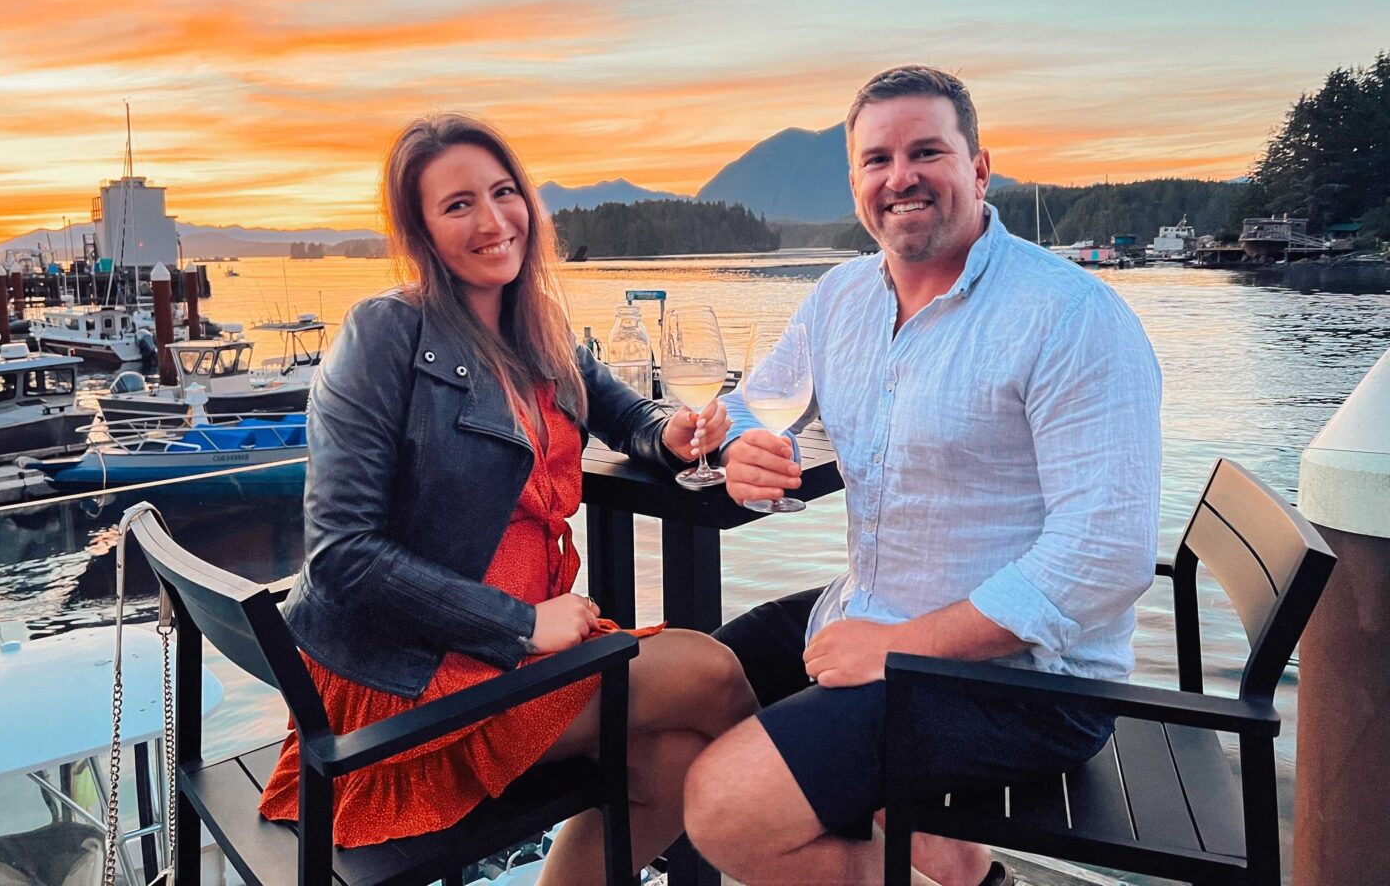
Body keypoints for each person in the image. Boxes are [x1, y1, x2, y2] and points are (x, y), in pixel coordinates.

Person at [683, 66, 1162, 886]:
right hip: (873, 611)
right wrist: (746, 447)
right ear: (856, 184)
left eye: (925, 152)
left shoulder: (1068, 315)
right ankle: (971, 876)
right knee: (688, 694)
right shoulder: (840, 298)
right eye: (876, 160)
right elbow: (763, 401)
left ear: (978, 169)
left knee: (722, 807)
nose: (899, 177)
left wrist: (900, 648)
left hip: (1032, 684)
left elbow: (1105, 556)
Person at [259, 114, 757, 884]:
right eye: (458, 205)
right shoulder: (383, 334)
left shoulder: (537, 326)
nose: (494, 221)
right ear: (420, 229)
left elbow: (629, 416)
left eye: (503, 192)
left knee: (674, 760)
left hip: (503, 656)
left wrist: (677, 434)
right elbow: (341, 556)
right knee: (714, 673)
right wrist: (522, 624)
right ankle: (828, 854)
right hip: (417, 676)